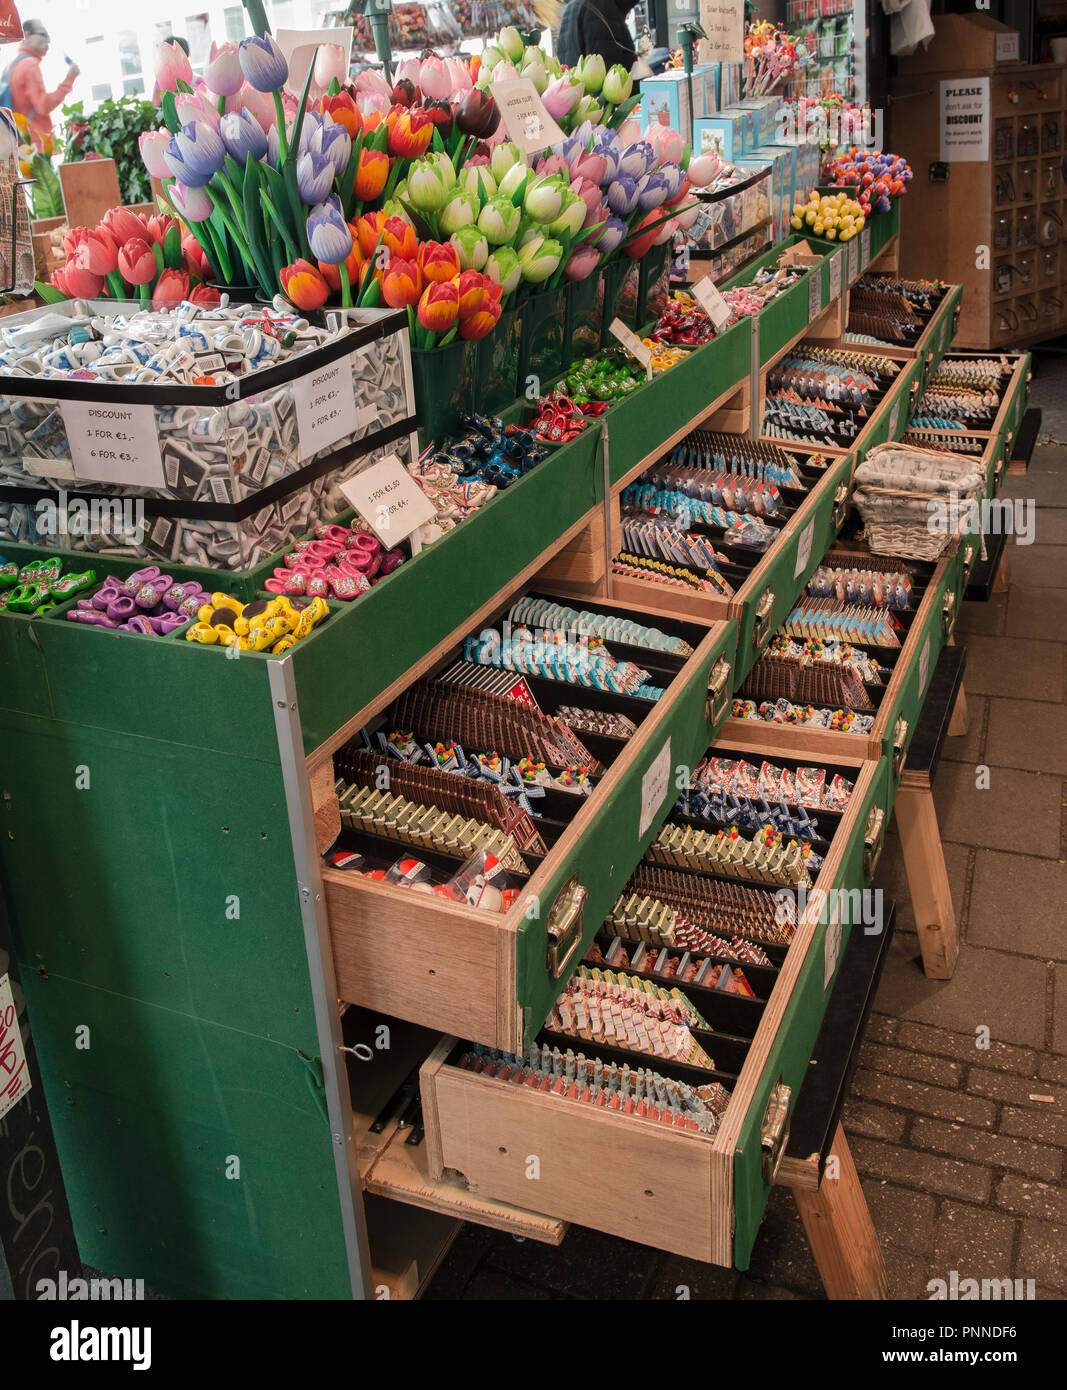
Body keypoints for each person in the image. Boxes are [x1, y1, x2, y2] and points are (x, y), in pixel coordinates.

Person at [4, 19, 79, 153]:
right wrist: (69, 79)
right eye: (43, 35)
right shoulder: (30, 65)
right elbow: (43, 105)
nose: (48, 41)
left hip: (17, 145)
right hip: (34, 145)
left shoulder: (10, 67)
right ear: (27, 35)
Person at [557, 0, 638, 74]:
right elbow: (605, 68)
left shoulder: (572, 7)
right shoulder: (602, 6)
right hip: (600, 88)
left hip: (576, 86)